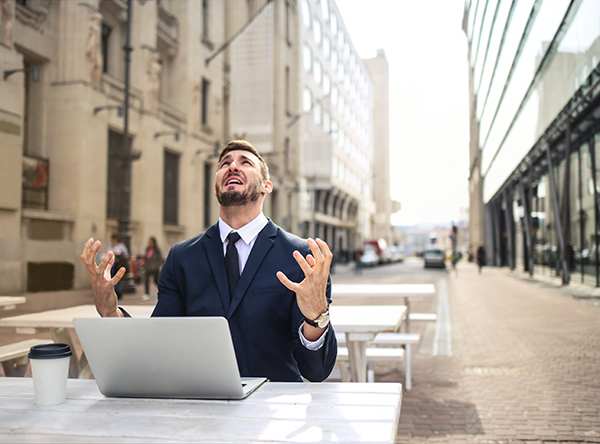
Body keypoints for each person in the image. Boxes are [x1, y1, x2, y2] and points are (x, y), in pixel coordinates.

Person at [80, 140, 337, 382]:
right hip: (200, 406)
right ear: (216, 188)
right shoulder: (182, 257)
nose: (233, 166)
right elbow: (158, 344)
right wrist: (110, 313)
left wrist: (316, 315)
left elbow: (315, 371)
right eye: (225, 163)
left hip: (272, 409)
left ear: (266, 187)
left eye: (245, 162)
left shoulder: (302, 257)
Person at [107, 234, 129, 299]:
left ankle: (117, 291)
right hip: (112, 265)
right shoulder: (110, 246)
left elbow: (125, 255)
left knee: (117, 279)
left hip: (118, 265)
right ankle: (113, 291)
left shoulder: (121, 246)